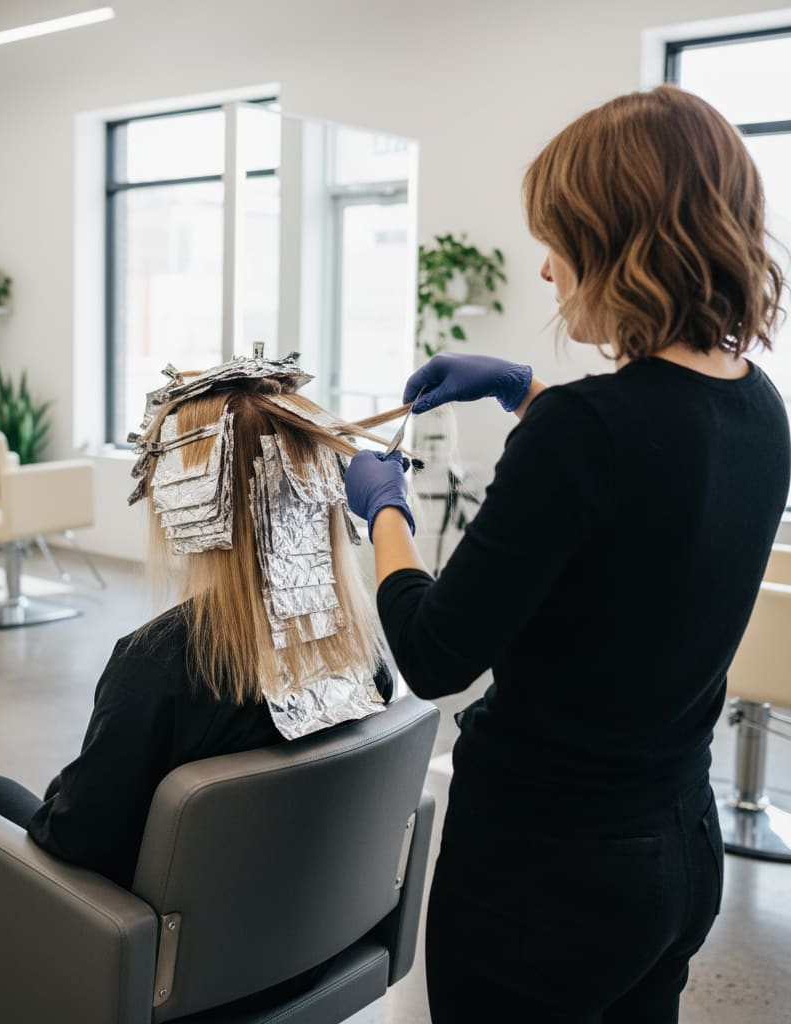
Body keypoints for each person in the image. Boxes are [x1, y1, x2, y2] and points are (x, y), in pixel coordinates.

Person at [345, 84, 790, 1023]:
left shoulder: (587, 432)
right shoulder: (758, 405)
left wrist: (383, 514)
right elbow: (648, 480)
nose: (546, 272)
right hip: (674, 851)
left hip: (544, 876)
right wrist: (529, 389)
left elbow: (433, 654)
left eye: (560, 239)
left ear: (622, 244)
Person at [0, 373, 397, 891]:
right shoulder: (362, 655)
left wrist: (65, 791)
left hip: (166, 947)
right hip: (311, 933)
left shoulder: (157, 665)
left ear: (187, 502)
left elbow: (79, 840)